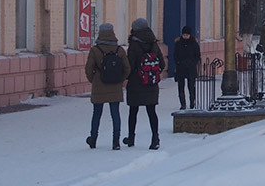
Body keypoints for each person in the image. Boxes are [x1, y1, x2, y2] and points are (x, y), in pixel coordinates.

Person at [84, 23, 129, 150]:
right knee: (115, 114)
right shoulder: (119, 50)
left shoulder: (95, 50)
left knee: (96, 113)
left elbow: (88, 69)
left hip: (99, 85)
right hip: (115, 85)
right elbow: (127, 68)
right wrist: (120, 79)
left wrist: (94, 80)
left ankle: (93, 139)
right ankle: (116, 141)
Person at [124, 17, 166, 150]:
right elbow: (162, 64)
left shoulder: (134, 45)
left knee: (133, 111)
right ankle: (155, 138)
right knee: (152, 112)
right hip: (151, 83)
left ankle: (131, 138)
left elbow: (129, 65)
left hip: (136, 83)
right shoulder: (154, 43)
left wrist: (129, 77)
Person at [172, 25, 200, 111]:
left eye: (187, 35)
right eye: (184, 35)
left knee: (191, 86)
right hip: (181, 68)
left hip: (191, 68)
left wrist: (193, 63)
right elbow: (175, 54)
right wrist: (178, 62)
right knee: (181, 87)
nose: (185, 37)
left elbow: (197, 55)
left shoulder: (194, 43)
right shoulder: (178, 43)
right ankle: (183, 104)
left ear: (190, 35)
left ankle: (192, 103)